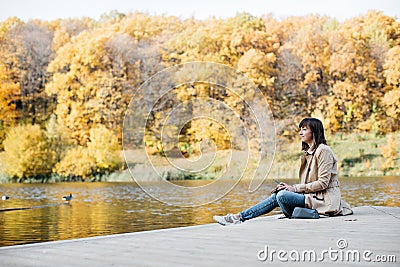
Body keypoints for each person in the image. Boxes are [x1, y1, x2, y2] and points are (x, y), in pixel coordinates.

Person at [213, 117, 353, 226]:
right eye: (300, 129)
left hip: (324, 201)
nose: (300, 132)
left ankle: (238, 217)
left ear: (314, 131)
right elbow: (307, 187)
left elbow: (322, 183)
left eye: (304, 129)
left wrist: (294, 189)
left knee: (281, 196)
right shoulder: (309, 154)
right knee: (280, 194)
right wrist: (290, 188)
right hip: (312, 199)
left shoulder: (324, 151)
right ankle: (238, 217)